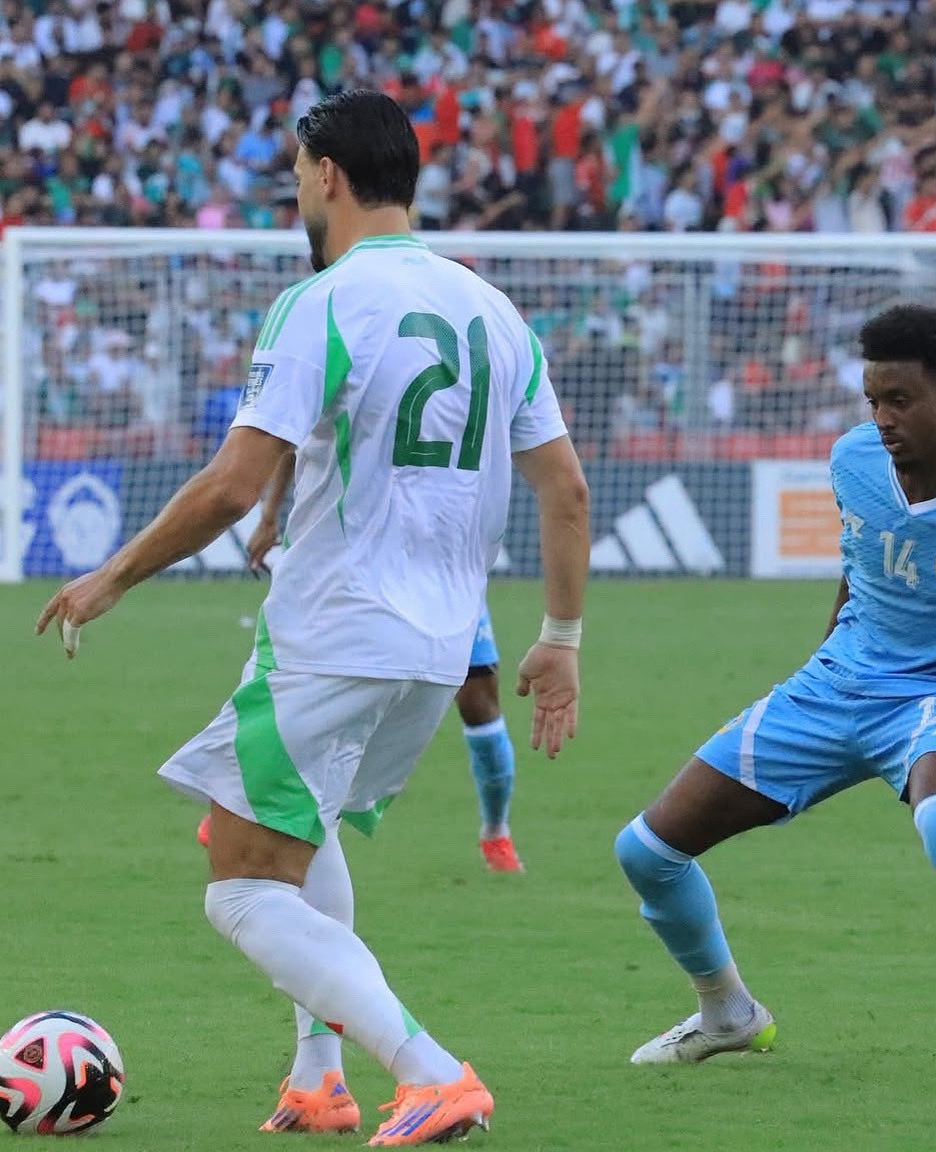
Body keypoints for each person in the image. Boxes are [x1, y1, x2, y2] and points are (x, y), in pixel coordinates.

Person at [37, 90, 590, 1146]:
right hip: (435, 648)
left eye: (296, 174)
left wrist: (110, 578)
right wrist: (559, 642)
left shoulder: (324, 301)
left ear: (326, 173)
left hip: (333, 628)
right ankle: (317, 1078)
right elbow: (564, 490)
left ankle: (431, 1074)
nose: (295, 192)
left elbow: (230, 483)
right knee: (301, 829)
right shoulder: (492, 309)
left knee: (239, 886)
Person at [614, 304, 936, 1095]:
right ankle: (726, 1012)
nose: (881, 419)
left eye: (899, 400)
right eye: (871, 400)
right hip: (832, 686)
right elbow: (859, 561)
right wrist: (825, 653)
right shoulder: (851, 460)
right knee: (644, 852)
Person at [198, 465, 527, 874]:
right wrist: (269, 516)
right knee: (322, 681)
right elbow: (286, 440)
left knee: (480, 704)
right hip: (354, 568)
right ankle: (252, 801)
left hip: (441, 569)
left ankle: (497, 831)